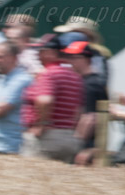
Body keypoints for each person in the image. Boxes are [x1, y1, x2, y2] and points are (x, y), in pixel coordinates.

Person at [20, 34, 84, 162]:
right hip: (69, 136)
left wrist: (41, 124)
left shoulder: (48, 74)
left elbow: (45, 100)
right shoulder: (75, 76)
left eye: (41, 52)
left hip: (47, 137)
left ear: (50, 53)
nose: (38, 56)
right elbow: (79, 110)